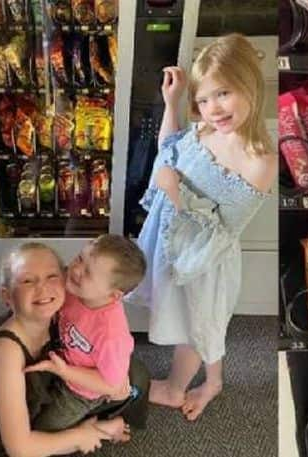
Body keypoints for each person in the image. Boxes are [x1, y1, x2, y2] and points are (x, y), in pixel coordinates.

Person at [127, 33, 278, 421]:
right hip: (174, 244)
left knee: (196, 329)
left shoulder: (258, 161)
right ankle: (213, 381)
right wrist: (172, 104)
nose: (213, 108)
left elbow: (222, 231)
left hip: (202, 262)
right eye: (204, 99)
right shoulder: (205, 131)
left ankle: (176, 389)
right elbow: (169, 151)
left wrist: (174, 192)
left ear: (250, 84)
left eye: (223, 93)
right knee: (205, 324)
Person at [0, 242, 128, 456]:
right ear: (7, 296)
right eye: (28, 280)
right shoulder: (7, 354)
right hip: (20, 429)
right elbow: (19, 449)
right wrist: (82, 436)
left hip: (55, 388)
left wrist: (117, 378)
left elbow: (108, 320)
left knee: (133, 377)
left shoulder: (60, 309)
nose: (43, 288)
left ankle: (99, 422)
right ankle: (99, 428)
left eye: (52, 277)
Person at [25, 234, 146, 432]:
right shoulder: (75, 286)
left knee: (43, 430)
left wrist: (64, 371)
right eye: (80, 258)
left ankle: (105, 429)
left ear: (113, 295)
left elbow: (111, 386)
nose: (76, 269)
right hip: (62, 358)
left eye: (88, 273)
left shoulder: (111, 335)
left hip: (81, 392)